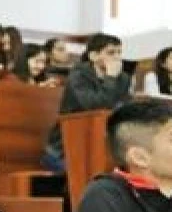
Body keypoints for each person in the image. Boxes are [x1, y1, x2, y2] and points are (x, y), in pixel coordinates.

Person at [43, 32, 131, 172]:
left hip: (100, 145)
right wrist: (110, 78)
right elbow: (96, 107)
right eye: (111, 53)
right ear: (93, 56)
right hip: (64, 149)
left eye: (119, 52)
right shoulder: (78, 75)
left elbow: (123, 110)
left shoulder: (123, 79)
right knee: (88, 173)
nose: (117, 57)